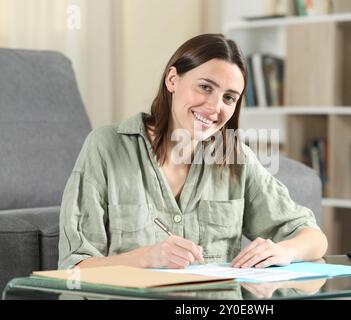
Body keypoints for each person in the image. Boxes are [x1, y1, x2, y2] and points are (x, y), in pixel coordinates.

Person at [58, 33, 328, 270]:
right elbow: (74, 267)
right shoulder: (106, 147)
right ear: (173, 79)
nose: (214, 107)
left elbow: (314, 238)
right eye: (205, 87)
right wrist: (146, 257)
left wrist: (283, 251)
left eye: (229, 98)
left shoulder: (236, 158)